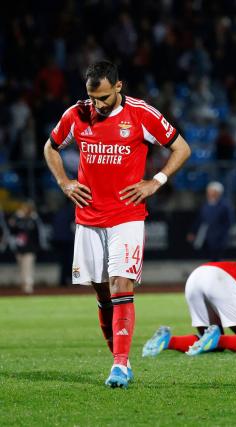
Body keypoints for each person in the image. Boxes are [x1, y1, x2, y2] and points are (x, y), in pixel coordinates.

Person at [43, 60, 191, 387]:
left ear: (119, 87)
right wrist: (64, 182)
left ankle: (121, 365)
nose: (97, 105)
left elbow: (182, 147)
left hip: (126, 215)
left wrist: (158, 180)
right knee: (101, 293)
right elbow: (50, 148)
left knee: (120, 285)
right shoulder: (76, 114)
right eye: (93, 98)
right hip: (88, 217)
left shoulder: (142, 114)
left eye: (105, 98)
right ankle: (118, 359)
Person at [187, 181, 235, 261]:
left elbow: (230, 221)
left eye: (212, 191)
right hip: (207, 237)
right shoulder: (205, 205)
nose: (209, 193)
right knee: (209, 258)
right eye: (209, 191)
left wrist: (222, 234)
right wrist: (193, 232)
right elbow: (200, 220)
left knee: (218, 258)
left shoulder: (225, 206)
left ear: (218, 193)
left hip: (220, 238)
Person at [7, 201, 43, 294]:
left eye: (28, 208)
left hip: (30, 249)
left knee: (28, 267)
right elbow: (12, 230)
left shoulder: (34, 219)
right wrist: (16, 216)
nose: (26, 210)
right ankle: (24, 285)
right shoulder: (18, 219)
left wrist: (37, 248)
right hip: (20, 249)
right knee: (21, 268)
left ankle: (28, 286)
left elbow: (38, 234)